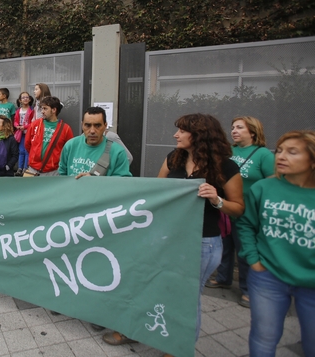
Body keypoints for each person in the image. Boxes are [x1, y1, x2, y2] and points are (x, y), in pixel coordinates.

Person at [104, 113, 245, 351]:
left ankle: (178, 348)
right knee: (147, 284)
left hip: (202, 243)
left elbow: (238, 208)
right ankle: (137, 329)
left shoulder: (225, 166)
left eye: (181, 131)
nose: (175, 135)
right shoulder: (174, 158)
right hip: (167, 238)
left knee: (185, 299)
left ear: (199, 135)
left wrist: (217, 199)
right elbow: (158, 193)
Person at [238, 130, 315, 357]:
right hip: (268, 276)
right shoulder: (264, 188)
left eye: (292, 152)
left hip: (311, 285)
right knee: (263, 337)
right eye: (279, 150)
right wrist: (254, 260)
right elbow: (246, 225)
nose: (281, 156)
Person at [206, 116, 275, 308]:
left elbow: (274, 182)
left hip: (249, 213)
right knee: (225, 247)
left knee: (245, 252)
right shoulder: (229, 151)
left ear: (252, 132)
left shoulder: (263, 155)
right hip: (225, 208)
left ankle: (248, 290)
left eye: (239, 128)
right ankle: (223, 278)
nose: (234, 131)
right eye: (232, 127)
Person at [59, 106, 131, 178]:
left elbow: (122, 184)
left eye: (97, 125)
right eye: (88, 125)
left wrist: (95, 182)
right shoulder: (70, 146)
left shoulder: (117, 152)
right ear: (82, 125)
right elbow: (61, 176)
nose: (92, 131)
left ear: (105, 126)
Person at [24, 96, 73, 176]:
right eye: (42, 109)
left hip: (53, 171)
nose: (42, 111)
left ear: (54, 110)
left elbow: (69, 150)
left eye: (45, 109)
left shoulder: (66, 129)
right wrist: (35, 156)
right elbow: (27, 144)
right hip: (33, 169)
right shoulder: (35, 124)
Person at [13, 91, 34, 176]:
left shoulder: (32, 110)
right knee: (21, 151)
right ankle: (19, 168)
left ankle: (26, 168)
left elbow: (33, 122)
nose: (25, 99)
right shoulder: (18, 111)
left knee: (27, 151)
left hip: (28, 133)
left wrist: (24, 127)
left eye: (27, 97)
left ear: (29, 99)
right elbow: (15, 121)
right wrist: (17, 126)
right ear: (20, 100)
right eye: (23, 97)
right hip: (20, 134)